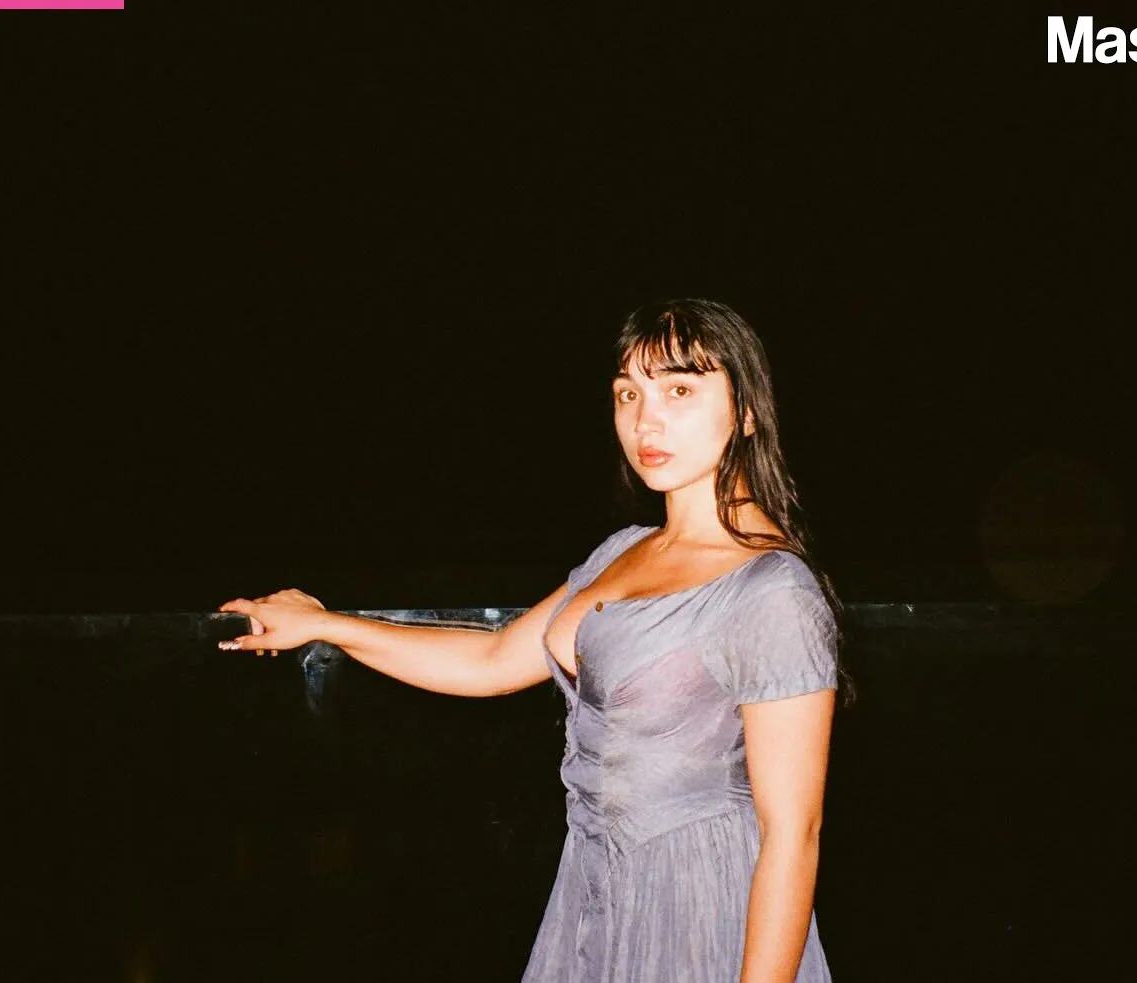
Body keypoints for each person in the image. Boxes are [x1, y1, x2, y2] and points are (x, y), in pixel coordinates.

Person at [218, 298, 848, 982]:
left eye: (678, 391)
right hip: (593, 887)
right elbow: (492, 659)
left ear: (747, 410)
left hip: (697, 907)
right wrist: (324, 623)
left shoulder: (771, 588)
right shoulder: (622, 551)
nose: (645, 420)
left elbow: (794, 834)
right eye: (628, 393)